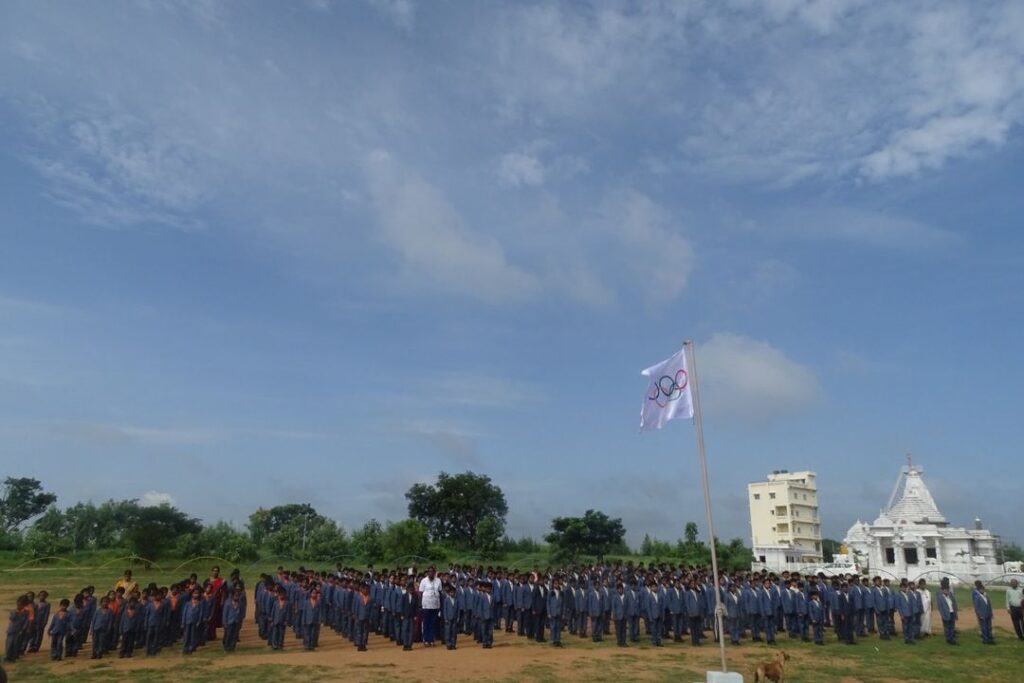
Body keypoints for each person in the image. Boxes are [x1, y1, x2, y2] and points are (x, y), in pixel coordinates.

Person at [418, 566, 441, 648]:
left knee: (433, 623)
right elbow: (420, 593)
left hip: (435, 605)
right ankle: (426, 640)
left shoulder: (438, 580)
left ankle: (431, 640)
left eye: (433, 572)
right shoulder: (423, 581)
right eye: (430, 572)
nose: (431, 573)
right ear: (427, 573)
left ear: (435, 573)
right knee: (426, 623)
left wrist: (440, 605)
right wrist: (420, 605)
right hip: (426, 605)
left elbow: (440, 592)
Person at [972, 580, 995, 645]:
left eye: (983, 589)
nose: (983, 590)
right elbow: (977, 607)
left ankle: (990, 639)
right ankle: (985, 639)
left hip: (988, 613)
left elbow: (989, 605)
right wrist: (979, 615)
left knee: (989, 627)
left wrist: (991, 613)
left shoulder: (986, 596)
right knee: (984, 627)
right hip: (982, 614)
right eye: (981, 589)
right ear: (979, 590)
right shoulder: (977, 597)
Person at [936, 578, 958, 645]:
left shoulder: (950, 595)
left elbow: (954, 603)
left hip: (952, 613)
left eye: (948, 590)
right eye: (945, 590)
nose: (947, 591)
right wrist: (943, 615)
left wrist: (955, 613)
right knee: (947, 627)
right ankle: (948, 639)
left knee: (952, 626)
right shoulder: (940, 597)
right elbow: (940, 607)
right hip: (946, 614)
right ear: (942, 590)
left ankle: (952, 638)